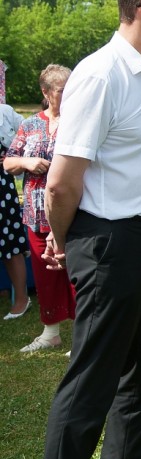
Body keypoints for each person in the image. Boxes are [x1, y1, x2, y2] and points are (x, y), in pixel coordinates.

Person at [42, 0, 141, 459]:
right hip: (112, 244)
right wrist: (65, 241)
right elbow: (61, 180)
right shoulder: (102, 74)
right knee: (92, 385)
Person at [4, 64, 76, 351]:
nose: (69, 94)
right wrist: (26, 162)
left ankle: (84, 336)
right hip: (36, 215)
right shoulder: (30, 124)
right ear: (46, 93)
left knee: (77, 275)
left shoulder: (79, 121)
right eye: (62, 90)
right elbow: (8, 161)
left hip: (74, 211)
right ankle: (51, 332)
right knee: (46, 275)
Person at [0, 102, 30, 320]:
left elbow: (31, 130)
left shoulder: (5, 112)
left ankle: (21, 299)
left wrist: (15, 158)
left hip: (2, 187)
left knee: (10, 242)